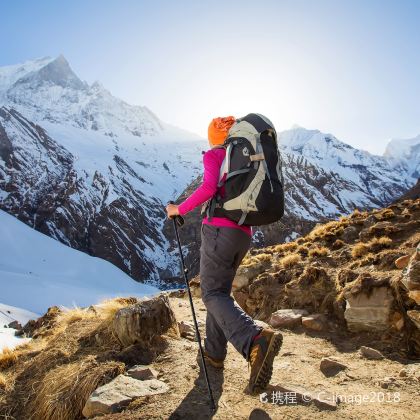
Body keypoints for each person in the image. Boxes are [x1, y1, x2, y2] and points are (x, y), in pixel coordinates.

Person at [166, 116, 282, 393]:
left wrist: (178, 210)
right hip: (242, 235)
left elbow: (207, 189)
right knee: (219, 292)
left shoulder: (215, 155)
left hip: (219, 231)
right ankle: (214, 354)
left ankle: (254, 339)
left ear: (213, 137)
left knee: (211, 294)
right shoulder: (244, 157)